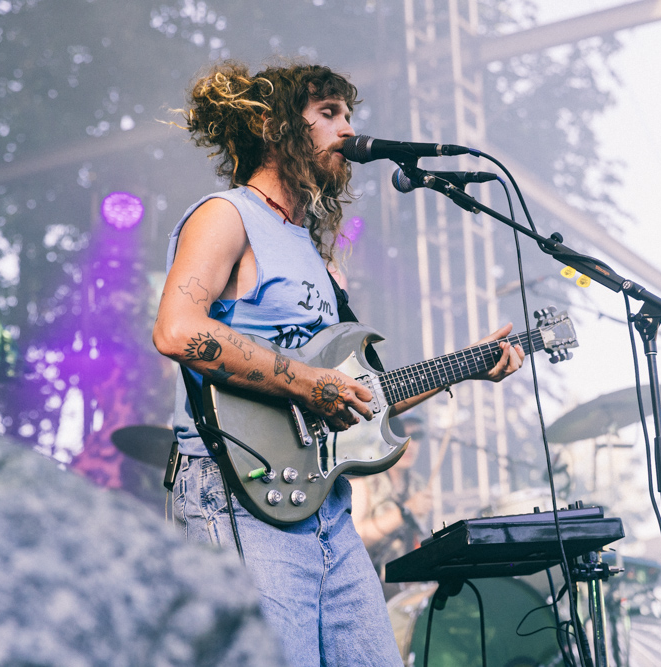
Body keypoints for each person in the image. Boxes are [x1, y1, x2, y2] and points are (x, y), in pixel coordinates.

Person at [152, 60, 525, 666]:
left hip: (322, 504)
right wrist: (307, 381)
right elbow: (177, 329)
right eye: (328, 114)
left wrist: (469, 366)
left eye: (349, 115)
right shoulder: (226, 215)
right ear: (276, 129)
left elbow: (355, 395)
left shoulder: (318, 258)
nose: (348, 131)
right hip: (236, 488)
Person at [350, 415, 432, 600]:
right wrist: (404, 512)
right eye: (401, 434)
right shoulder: (363, 482)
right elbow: (352, 539)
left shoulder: (420, 486)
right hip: (366, 591)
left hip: (406, 594)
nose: (410, 443)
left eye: (416, 435)